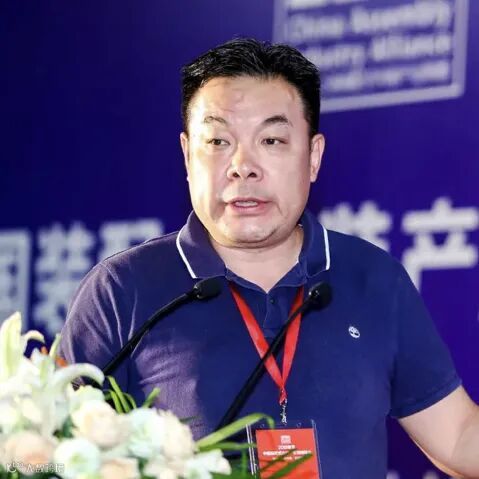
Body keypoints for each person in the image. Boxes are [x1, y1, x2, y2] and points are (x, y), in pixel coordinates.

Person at [59, 38, 479, 478]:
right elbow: (53, 452)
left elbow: (456, 438)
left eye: (272, 140)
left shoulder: (374, 279)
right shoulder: (123, 289)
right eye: (218, 140)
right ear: (187, 155)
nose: (243, 165)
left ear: (313, 157)